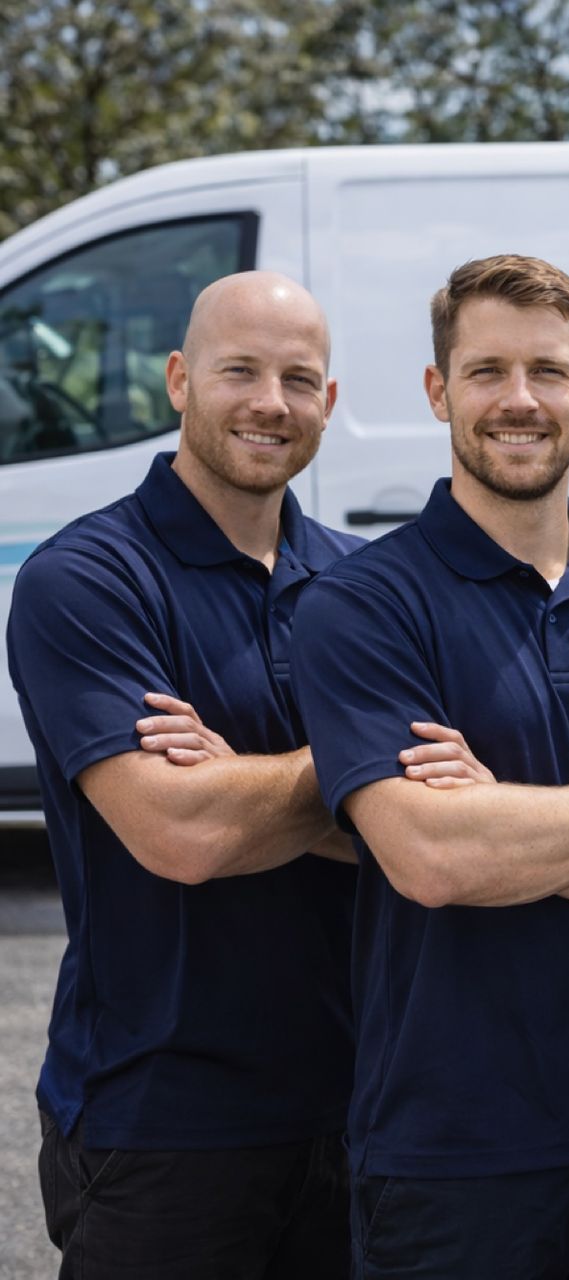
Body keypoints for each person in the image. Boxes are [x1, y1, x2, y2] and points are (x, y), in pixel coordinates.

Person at [288, 254, 569, 1279]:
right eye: (487, 369)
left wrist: (503, 820)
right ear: (437, 390)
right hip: (451, 1155)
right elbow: (431, 861)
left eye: (547, 370)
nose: (519, 399)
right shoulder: (363, 606)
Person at [6, 272, 361, 1276]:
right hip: (161, 1119)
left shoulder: (364, 587)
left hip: (359, 1109)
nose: (269, 402)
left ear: (328, 403)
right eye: (239, 370)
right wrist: (353, 777)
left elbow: (430, 825)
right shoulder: (86, 579)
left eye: (299, 378)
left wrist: (246, 779)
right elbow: (183, 835)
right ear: (178, 379)